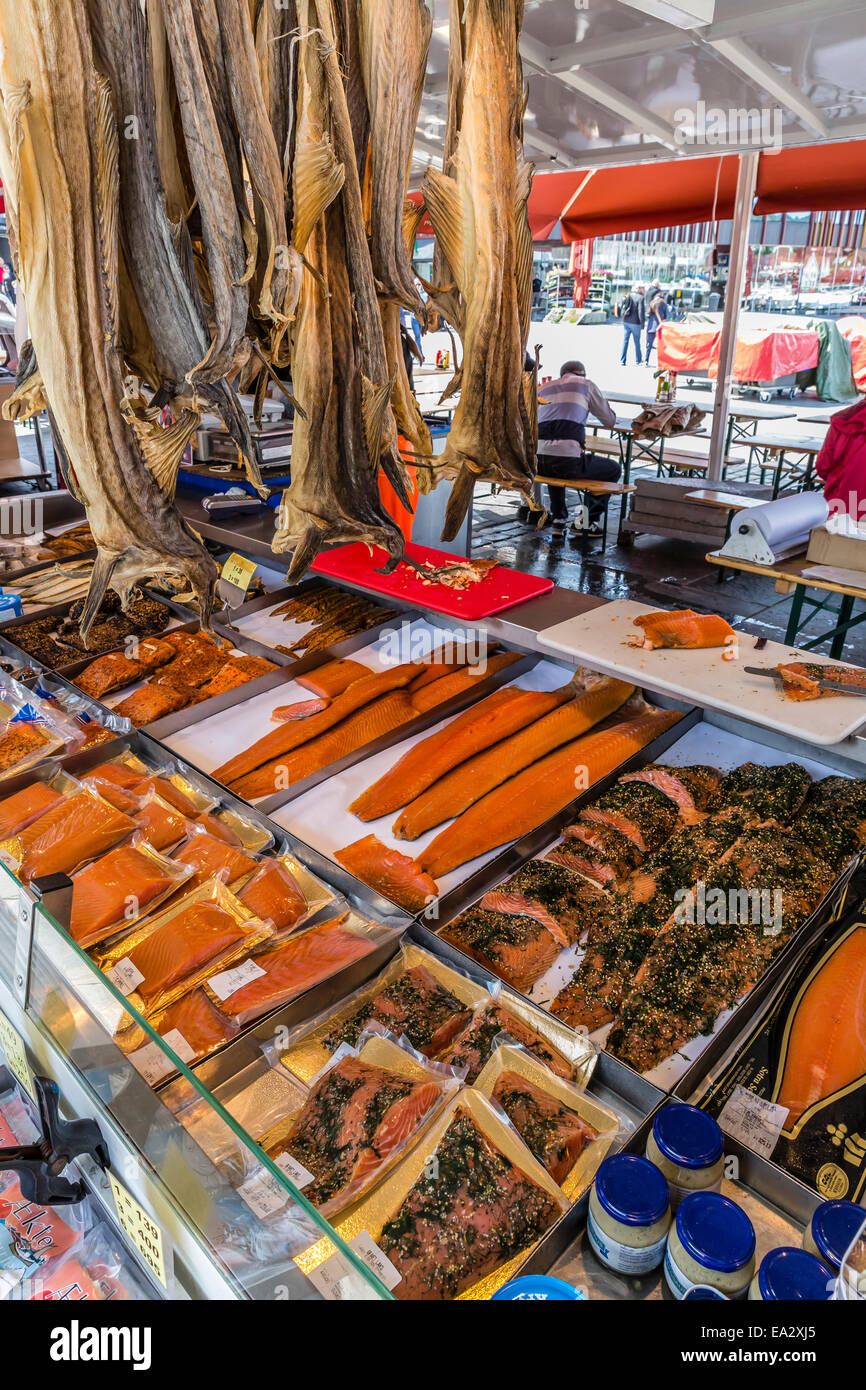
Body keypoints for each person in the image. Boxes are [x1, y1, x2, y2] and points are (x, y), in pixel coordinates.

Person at [525, 360, 620, 538]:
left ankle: (559, 518)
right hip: (566, 463)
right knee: (613, 469)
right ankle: (586, 521)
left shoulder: (544, 388)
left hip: (538, 461)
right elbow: (609, 421)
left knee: (555, 458)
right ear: (582, 374)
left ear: (562, 374)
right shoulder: (586, 385)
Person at [617, 283, 645, 365]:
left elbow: (622, 306)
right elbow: (640, 312)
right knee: (637, 342)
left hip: (626, 321)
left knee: (625, 341)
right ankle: (638, 360)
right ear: (638, 288)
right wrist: (642, 323)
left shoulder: (628, 295)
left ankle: (622, 360)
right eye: (643, 288)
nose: (644, 289)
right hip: (636, 323)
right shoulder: (640, 298)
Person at [645, 287, 668, 360]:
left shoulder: (652, 303)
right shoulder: (663, 303)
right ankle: (662, 362)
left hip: (651, 326)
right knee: (662, 345)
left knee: (649, 345)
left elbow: (648, 314)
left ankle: (646, 360)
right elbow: (667, 315)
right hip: (660, 327)